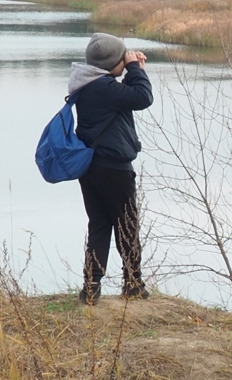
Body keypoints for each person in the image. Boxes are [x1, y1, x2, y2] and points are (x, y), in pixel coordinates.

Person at [67, 32, 154, 305]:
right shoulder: (103, 87)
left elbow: (122, 97)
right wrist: (133, 69)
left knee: (100, 225)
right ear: (111, 64)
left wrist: (132, 69)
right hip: (115, 168)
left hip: (91, 169)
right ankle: (133, 283)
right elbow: (142, 98)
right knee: (127, 225)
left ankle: (91, 287)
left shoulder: (89, 85)